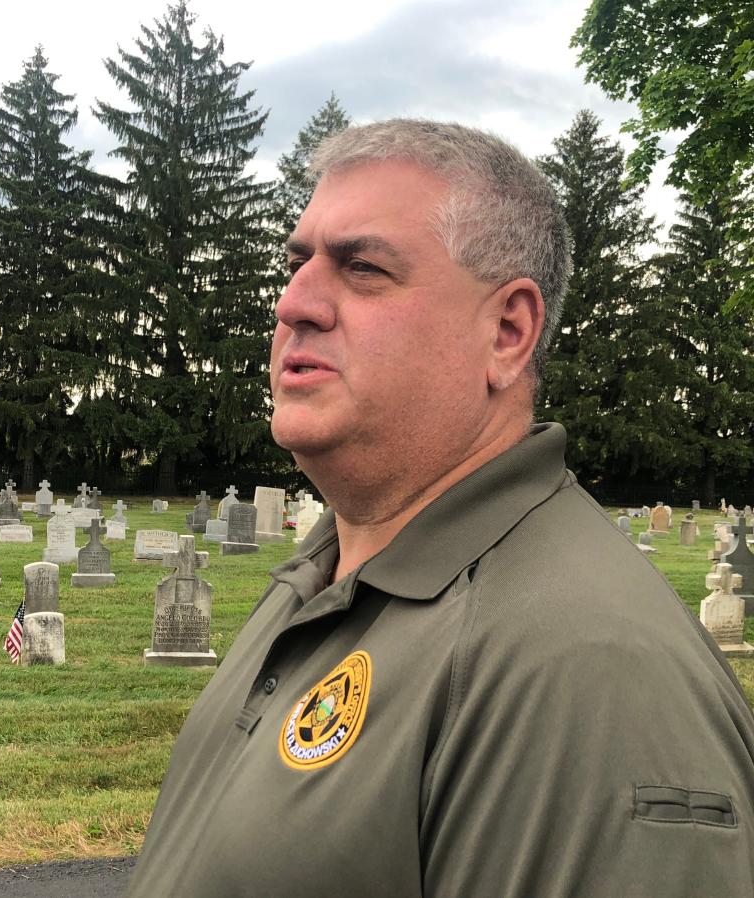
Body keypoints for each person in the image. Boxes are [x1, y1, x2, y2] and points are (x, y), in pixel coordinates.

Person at [126, 120, 754, 897]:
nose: (294, 304)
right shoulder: (324, 579)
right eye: (295, 264)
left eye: (361, 269)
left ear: (506, 331)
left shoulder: (584, 669)